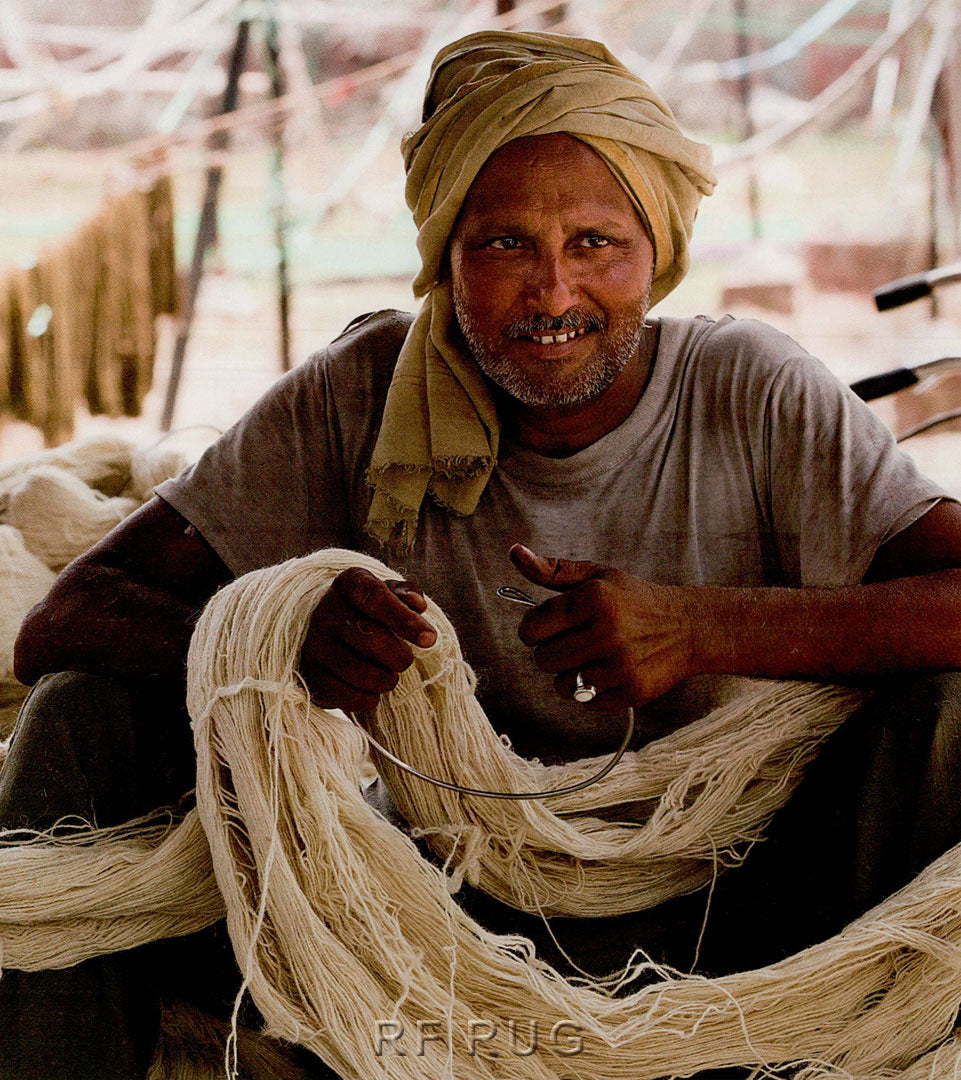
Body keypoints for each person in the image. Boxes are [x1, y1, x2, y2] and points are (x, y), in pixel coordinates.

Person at [3, 28, 961, 1080]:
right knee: (81, 712)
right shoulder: (359, 392)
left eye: (596, 243)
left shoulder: (752, 389)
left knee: (943, 712)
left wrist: (704, 627)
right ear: (445, 257)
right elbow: (68, 618)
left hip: (741, 905)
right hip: (427, 924)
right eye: (505, 246)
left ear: (658, 253)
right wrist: (271, 640)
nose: (553, 295)